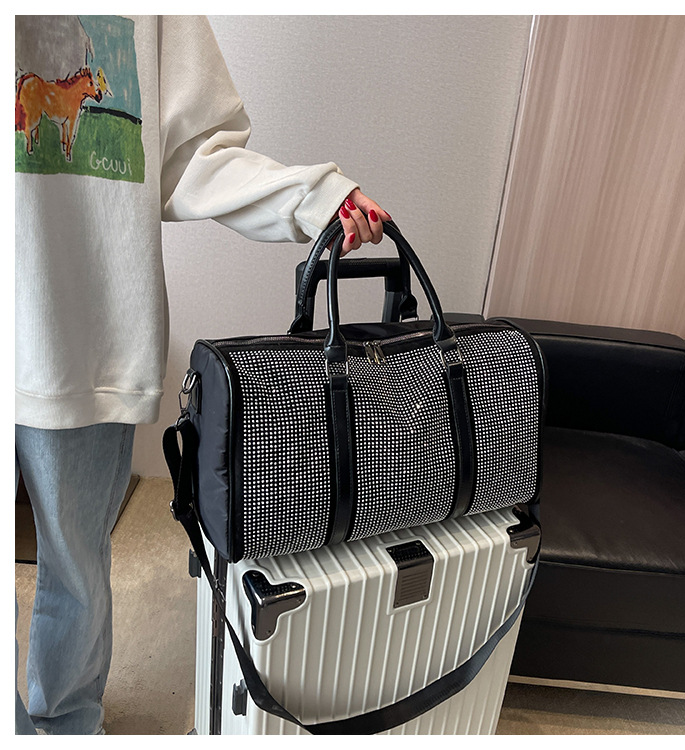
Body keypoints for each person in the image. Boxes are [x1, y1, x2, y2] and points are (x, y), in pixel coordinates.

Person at [15, 15, 390, 735]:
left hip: (81, 330)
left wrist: (312, 196)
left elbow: (190, 155)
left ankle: (65, 726)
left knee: (75, 565)